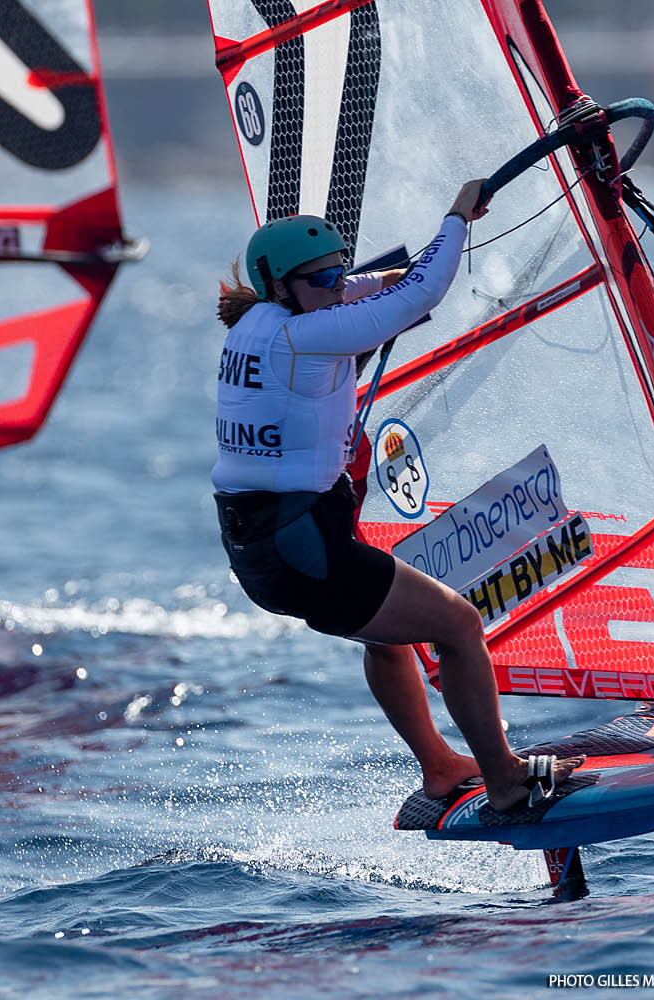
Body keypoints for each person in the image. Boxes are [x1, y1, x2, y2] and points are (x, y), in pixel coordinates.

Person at [211, 179, 582, 812]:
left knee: (386, 634)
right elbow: (421, 293)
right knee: (460, 626)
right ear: (281, 286)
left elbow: (377, 287)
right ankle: (506, 781)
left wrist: (378, 279)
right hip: (302, 545)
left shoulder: (264, 321)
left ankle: (440, 766)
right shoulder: (303, 337)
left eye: (338, 272)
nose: (336, 284)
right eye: (321, 279)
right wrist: (458, 217)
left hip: (270, 541)